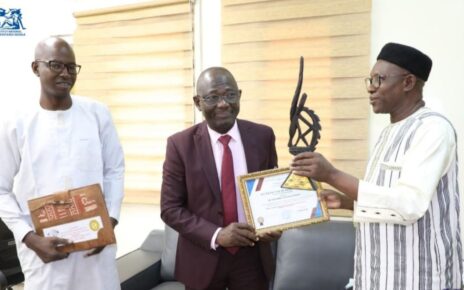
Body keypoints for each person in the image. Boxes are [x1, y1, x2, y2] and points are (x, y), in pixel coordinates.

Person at [291, 42, 462, 289]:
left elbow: (409, 204)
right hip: (377, 278)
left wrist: (331, 174)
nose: (371, 89)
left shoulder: (432, 129)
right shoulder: (387, 134)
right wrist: (347, 202)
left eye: (379, 80)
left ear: (408, 83)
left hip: (419, 278)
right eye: (369, 80)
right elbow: (388, 199)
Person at [0, 37, 124, 290]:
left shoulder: (97, 113)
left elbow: (115, 170)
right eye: (56, 65)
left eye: (71, 67)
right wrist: (30, 239)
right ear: (36, 68)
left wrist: (108, 223)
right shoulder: (15, 122)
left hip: (96, 245)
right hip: (45, 249)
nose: (65, 73)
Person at [161, 67, 281, 290]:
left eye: (230, 94)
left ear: (240, 95)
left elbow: (271, 192)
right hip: (203, 256)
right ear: (198, 102)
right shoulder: (180, 145)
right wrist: (218, 235)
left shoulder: (263, 136)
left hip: (252, 257)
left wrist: (274, 223)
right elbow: (170, 208)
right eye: (213, 97)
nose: (223, 103)